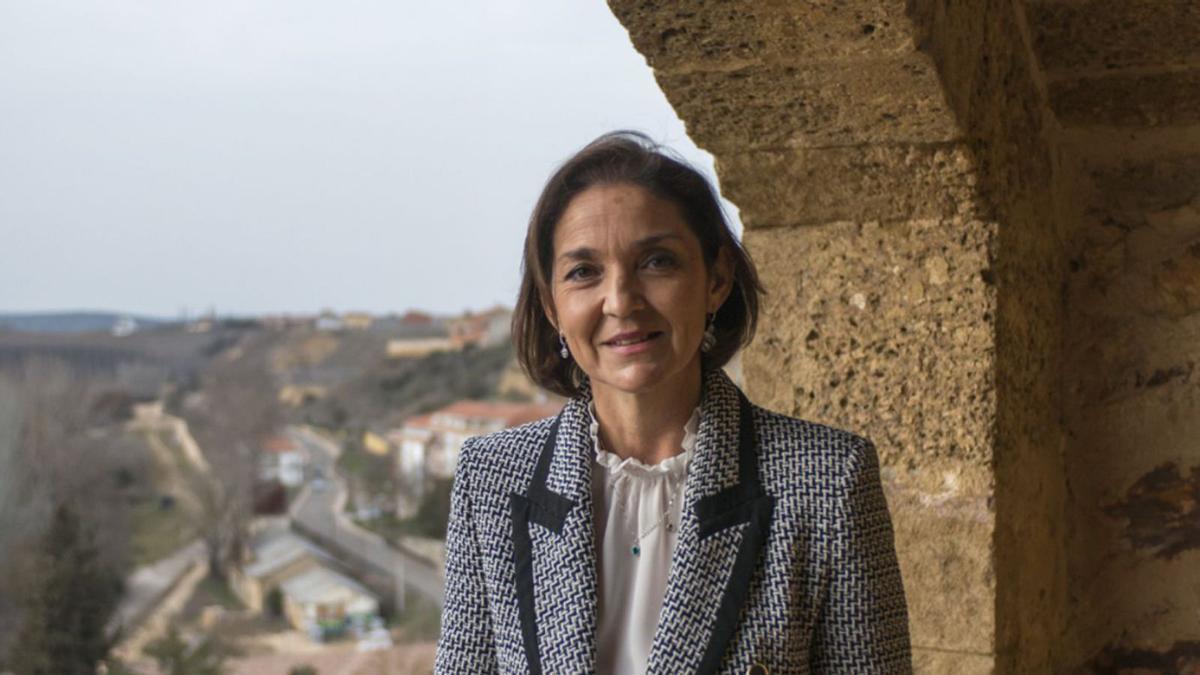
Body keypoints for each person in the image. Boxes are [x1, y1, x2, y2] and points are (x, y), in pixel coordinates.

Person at [435, 131, 911, 674]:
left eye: (657, 262)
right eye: (584, 272)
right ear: (551, 306)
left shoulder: (827, 482)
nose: (621, 301)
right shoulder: (492, 480)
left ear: (717, 279)